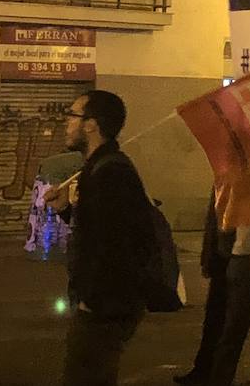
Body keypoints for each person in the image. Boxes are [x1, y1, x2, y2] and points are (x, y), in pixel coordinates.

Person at [44, 90, 157, 386]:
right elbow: (99, 228)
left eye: (72, 115)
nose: (67, 123)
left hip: (105, 307)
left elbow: (117, 245)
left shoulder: (111, 173)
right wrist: (67, 210)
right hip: (103, 302)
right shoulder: (99, 168)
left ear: (91, 124)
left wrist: (92, 300)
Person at [173, 189, 229, 385]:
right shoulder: (224, 176)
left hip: (234, 258)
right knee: (219, 320)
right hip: (226, 258)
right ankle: (207, 370)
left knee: (221, 321)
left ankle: (209, 372)